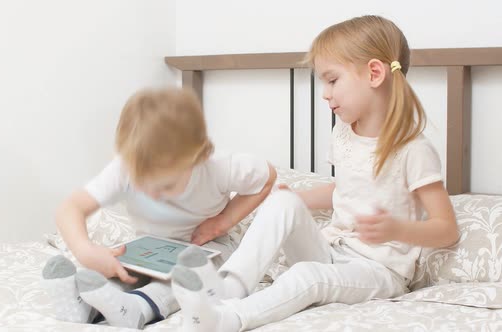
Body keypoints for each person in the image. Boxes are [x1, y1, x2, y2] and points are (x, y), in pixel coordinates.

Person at [170, 15, 459, 332]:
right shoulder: (345, 131)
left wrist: (397, 230)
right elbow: (344, 188)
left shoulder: (412, 149)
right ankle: (228, 290)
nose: (324, 93)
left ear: (375, 73)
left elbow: (446, 229)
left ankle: (231, 319)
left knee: (307, 276)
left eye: (332, 80)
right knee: (281, 202)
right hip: (332, 250)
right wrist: (292, 199)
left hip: (378, 271)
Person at [40, 87, 276, 328]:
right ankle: (81, 306)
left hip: (207, 248)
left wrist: (223, 221)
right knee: (117, 271)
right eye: (141, 183)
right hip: (148, 250)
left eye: (166, 185)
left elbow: (267, 177)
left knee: (190, 277)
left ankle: (138, 308)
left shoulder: (219, 166)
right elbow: (70, 208)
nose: (152, 194)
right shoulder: (126, 166)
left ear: (197, 158)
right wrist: (85, 249)